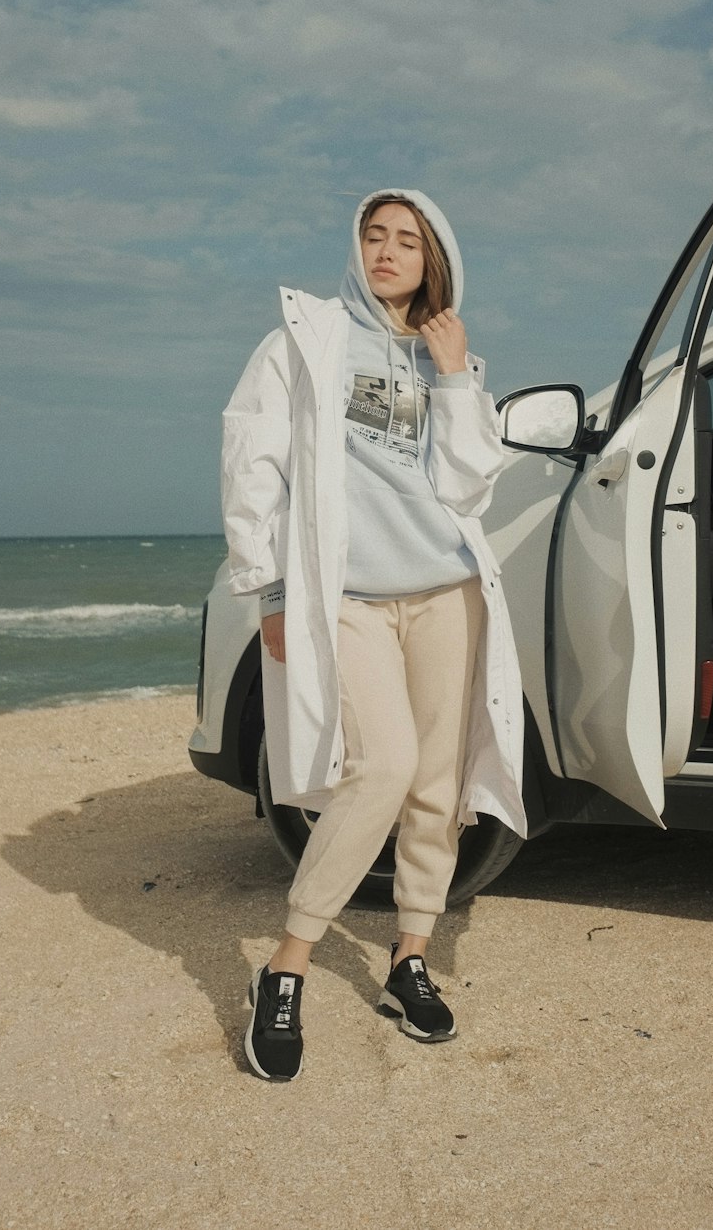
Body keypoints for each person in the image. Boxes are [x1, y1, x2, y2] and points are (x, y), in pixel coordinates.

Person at [221, 189, 525, 1081]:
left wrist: (459, 375)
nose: (390, 252)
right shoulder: (303, 343)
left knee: (436, 783)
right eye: (375, 235)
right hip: (347, 596)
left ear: (434, 262)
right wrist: (269, 590)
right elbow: (253, 464)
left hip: (447, 591)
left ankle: (409, 959)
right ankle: (287, 966)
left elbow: (471, 484)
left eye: (409, 242)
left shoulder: (444, 356)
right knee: (381, 767)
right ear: (355, 248)